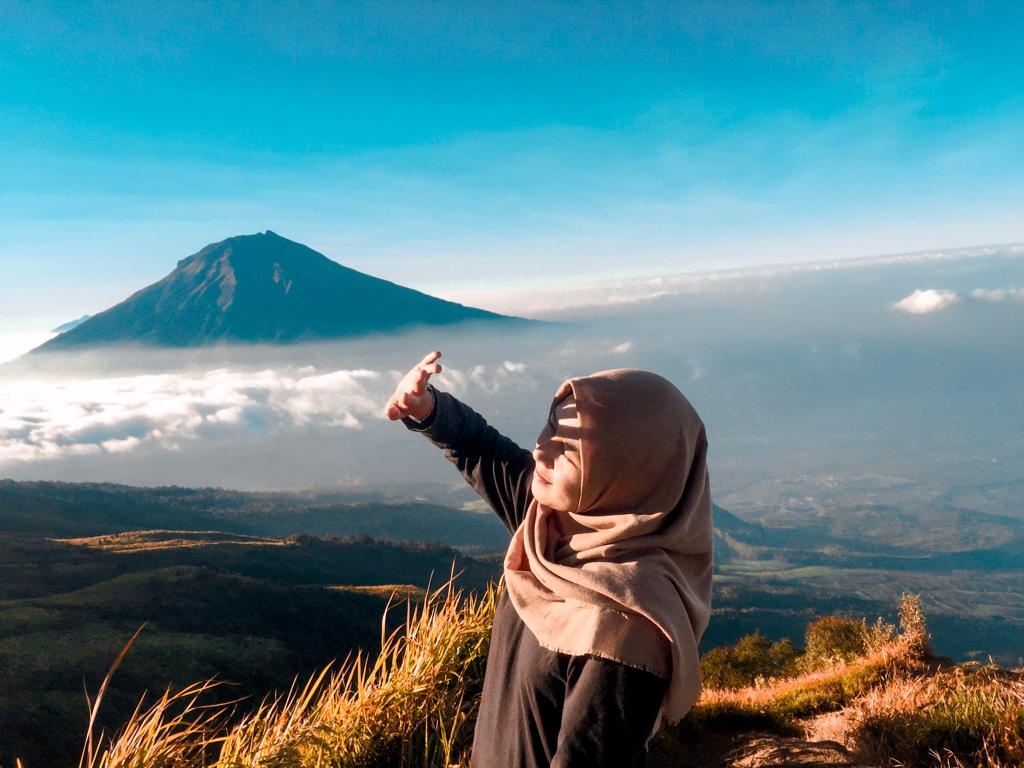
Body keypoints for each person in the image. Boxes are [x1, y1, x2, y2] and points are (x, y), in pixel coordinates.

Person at [384, 350, 713, 768]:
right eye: (552, 425)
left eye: (570, 448)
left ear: (625, 469)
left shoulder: (626, 631)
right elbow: (484, 452)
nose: (541, 450)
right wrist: (427, 407)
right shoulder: (554, 526)